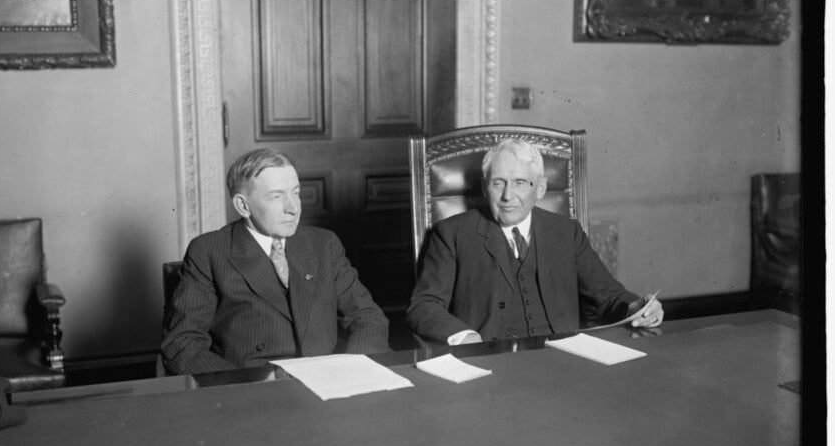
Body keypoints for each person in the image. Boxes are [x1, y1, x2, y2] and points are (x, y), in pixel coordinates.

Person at [406, 138, 663, 345]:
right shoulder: (452, 233)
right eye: (498, 183)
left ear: (540, 188)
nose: (508, 195)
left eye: (520, 183)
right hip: (488, 361)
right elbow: (423, 306)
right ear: (484, 188)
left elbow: (608, 295)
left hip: (564, 361)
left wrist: (637, 307)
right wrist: (464, 337)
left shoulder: (566, 232)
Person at [161, 148, 390, 375]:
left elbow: (366, 315)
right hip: (252, 386)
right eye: (276, 196)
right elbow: (182, 341)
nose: (293, 208)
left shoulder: (324, 243)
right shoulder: (209, 251)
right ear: (243, 206)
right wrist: (240, 386)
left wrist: (355, 371)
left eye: (296, 193)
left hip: (326, 379)